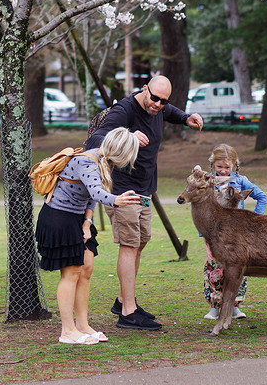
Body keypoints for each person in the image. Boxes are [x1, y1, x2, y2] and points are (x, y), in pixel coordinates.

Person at [83, 74, 203, 331]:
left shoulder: (159, 106)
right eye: (154, 98)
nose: (158, 105)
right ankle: (128, 312)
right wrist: (127, 136)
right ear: (144, 89)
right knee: (129, 244)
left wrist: (185, 117)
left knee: (141, 242)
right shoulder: (124, 110)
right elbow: (94, 141)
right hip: (122, 190)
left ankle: (123, 300)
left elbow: (169, 111)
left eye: (163, 100)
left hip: (145, 188)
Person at [35, 128, 144, 345]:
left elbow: (90, 198)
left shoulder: (105, 162)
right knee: (71, 272)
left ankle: (82, 325)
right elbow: (96, 192)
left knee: (86, 269)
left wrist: (87, 223)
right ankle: (67, 331)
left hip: (77, 219)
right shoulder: (88, 161)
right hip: (59, 218)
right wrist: (116, 200)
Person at [202, 143, 267, 320]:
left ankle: (235, 306)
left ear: (234, 165)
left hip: (237, 235)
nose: (223, 171)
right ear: (213, 165)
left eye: (227, 167)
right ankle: (215, 308)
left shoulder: (241, 181)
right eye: (219, 167)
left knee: (238, 269)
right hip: (215, 234)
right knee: (215, 269)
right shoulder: (208, 182)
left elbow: (262, 197)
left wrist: (254, 220)